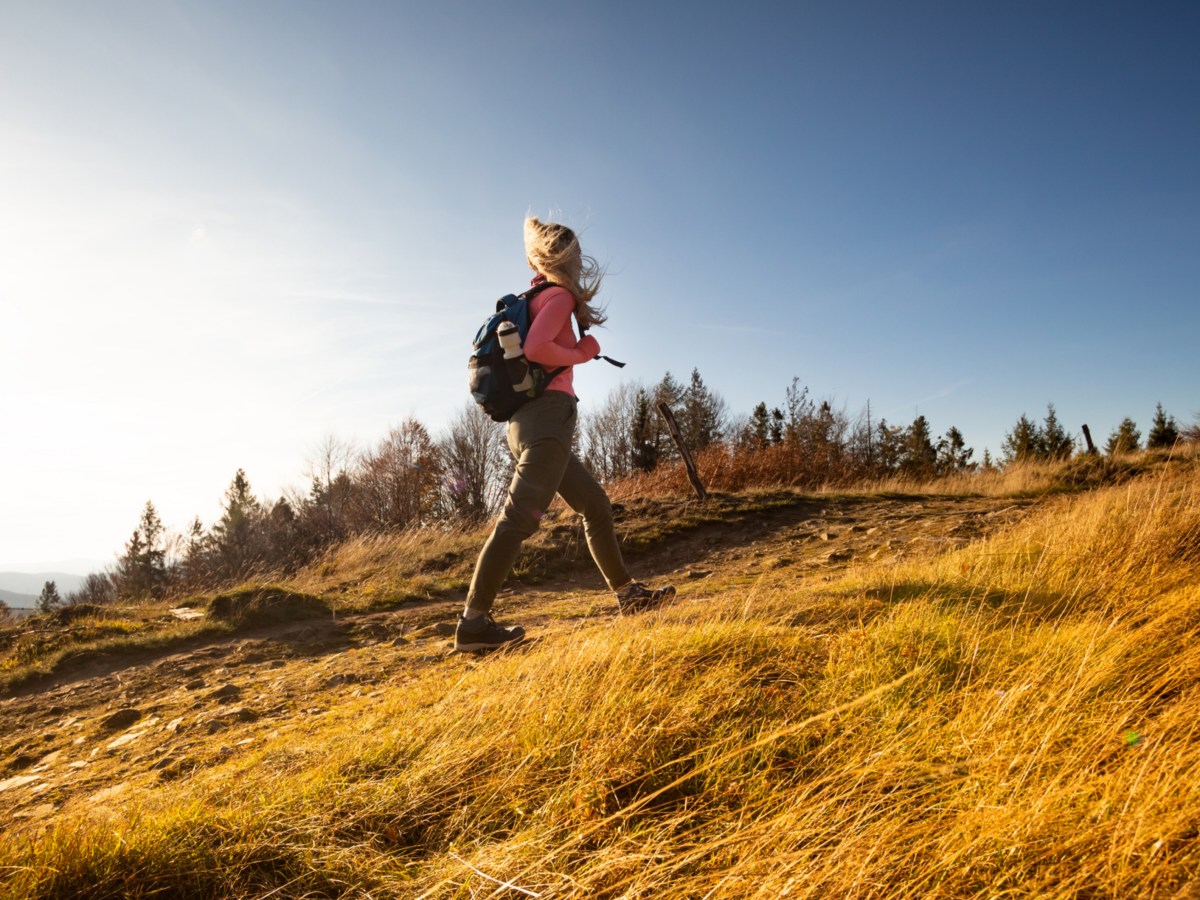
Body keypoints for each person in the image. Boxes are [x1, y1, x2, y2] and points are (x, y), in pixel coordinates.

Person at [455, 217, 676, 652]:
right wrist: (583, 351)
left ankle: (627, 595)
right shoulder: (556, 296)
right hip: (547, 422)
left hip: (528, 424)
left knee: (595, 505)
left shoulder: (532, 297)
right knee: (517, 520)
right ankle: (473, 623)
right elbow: (537, 348)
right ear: (569, 260)